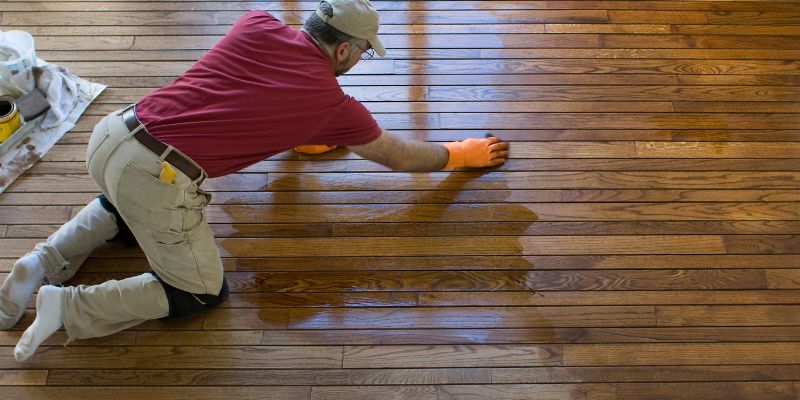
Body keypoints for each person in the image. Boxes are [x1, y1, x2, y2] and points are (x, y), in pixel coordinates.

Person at [0, 0, 509, 361]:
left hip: (113, 134)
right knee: (198, 292)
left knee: (124, 207)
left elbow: (244, 94)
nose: (360, 60)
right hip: (156, 175)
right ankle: (66, 306)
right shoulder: (332, 103)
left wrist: (303, 133)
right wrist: (459, 155)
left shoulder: (256, 23)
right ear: (343, 52)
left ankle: (39, 262)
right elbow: (398, 157)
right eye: (363, 51)